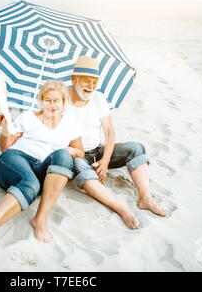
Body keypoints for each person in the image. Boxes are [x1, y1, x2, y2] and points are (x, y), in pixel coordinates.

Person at [0, 80, 84, 258]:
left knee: (62, 156)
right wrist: (5, 131)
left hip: (42, 168)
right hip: (15, 160)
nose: (52, 105)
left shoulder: (70, 124)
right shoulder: (28, 117)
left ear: (64, 102)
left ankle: (40, 219)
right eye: (48, 100)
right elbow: (5, 148)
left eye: (56, 100)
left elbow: (81, 151)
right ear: (41, 101)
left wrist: (71, 150)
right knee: (30, 183)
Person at [66, 56, 167, 230]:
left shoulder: (98, 98)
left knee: (136, 148)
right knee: (79, 165)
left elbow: (110, 133)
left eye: (94, 82)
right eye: (86, 81)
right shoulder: (61, 99)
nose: (91, 86)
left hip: (97, 151)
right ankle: (122, 209)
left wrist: (105, 161)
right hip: (76, 154)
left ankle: (145, 198)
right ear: (74, 79)